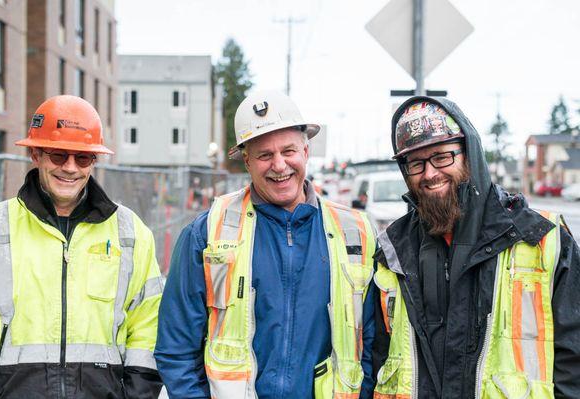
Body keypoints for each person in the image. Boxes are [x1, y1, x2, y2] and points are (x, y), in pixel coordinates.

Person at [155, 90, 377, 398]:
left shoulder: (355, 233)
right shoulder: (207, 233)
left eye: (289, 151)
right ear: (246, 161)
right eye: (264, 155)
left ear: (306, 151)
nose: (279, 165)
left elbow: (372, 347)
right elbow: (176, 350)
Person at [372, 97, 580, 398]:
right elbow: (380, 353)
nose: (430, 173)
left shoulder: (541, 239)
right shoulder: (393, 251)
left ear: (469, 154)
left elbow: (573, 361)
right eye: (416, 163)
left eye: (442, 157)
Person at [0, 95, 164, 397]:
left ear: (93, 161)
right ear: (36, 154)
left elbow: (147, 329)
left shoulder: (130, 233)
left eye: (82, 158)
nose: (69, 168)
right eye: (57, 155)